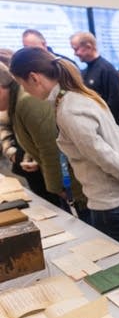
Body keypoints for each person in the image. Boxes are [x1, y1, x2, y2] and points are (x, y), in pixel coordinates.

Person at [10, 47, 119, 248]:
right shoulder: (79, 96)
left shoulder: (69, 109)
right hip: (117, 192)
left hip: (109, 198)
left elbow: (102, 155)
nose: (25, 91)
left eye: (22, 84)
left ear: (34, 78)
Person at [0, 61, 89, 219]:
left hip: (73, 179)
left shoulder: (25, 100)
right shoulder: (16, 99)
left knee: (89, 224)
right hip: (63, 174)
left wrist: (57, 187)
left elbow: (51, 147)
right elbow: (34, 138)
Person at [70, 31, 119, 128]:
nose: (75, 54)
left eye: (76, 49)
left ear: (89, 46)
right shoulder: (84, 71)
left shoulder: (107, 70)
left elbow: (115, 103)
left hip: (109, 126)